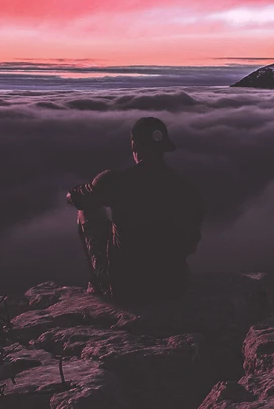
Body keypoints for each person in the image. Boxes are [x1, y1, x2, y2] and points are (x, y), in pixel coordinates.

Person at [66, 117, 205, 305]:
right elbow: (191, 243)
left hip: (127, 290)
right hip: (173, 288)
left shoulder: (116, 181)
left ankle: (98, 284)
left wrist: (76, 193)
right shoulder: (185, 188)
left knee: (86, 212)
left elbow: (77, 199)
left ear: (134, 146)